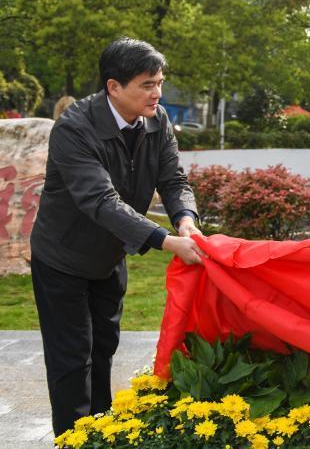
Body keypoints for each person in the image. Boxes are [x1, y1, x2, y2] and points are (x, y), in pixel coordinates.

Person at [30, 38, 207, 436]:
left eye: (159, 83)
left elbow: (173, 180)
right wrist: (165, 241)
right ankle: (73, 440)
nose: (157, 93)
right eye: (147, 85)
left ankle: (99, 436)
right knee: (72, 360)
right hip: (62, 259)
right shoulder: (74, 128)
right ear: (114, 86)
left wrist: (185, 220)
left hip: (110, 256)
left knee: (103, 350)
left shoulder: (157, 120)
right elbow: (100, 200)